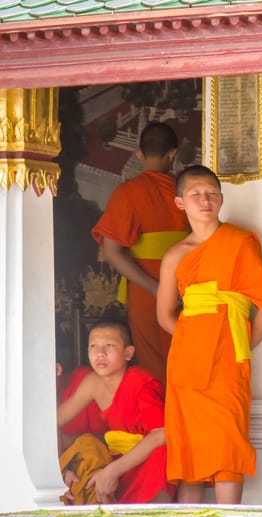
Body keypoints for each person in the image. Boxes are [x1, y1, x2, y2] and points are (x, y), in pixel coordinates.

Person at [156, 164, 262, 505]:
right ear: (181, 202)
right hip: (185, 365)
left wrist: (237, 345)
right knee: (189, 453)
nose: (204, 200)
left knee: (228, 445)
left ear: (221, 199)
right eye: (195, 194)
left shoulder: (239, 243)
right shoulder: (175, 255)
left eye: (211, 193)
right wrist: (192, 338)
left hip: (228, 363)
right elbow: (165, 315)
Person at [92, 122, 190, 385]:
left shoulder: (127, 193)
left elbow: (112, 253)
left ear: (138, 153)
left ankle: (161, 422)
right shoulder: (186, 193)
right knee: (186, 353)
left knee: (153, 362)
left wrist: (155, 288)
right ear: (172, 154)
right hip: (186, 284)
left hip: (146, 287)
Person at [57, 319, 174, 504]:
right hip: (114, 458)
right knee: (86, 449)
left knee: (163, 453)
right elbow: (55, 421)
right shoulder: (92, 383)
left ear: (128, 353)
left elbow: (162, 434)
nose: (100, 354)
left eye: (109, 345)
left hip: (141, 462)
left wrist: (112, 471)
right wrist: (60, 470)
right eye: (93, 346)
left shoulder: (140, 382)